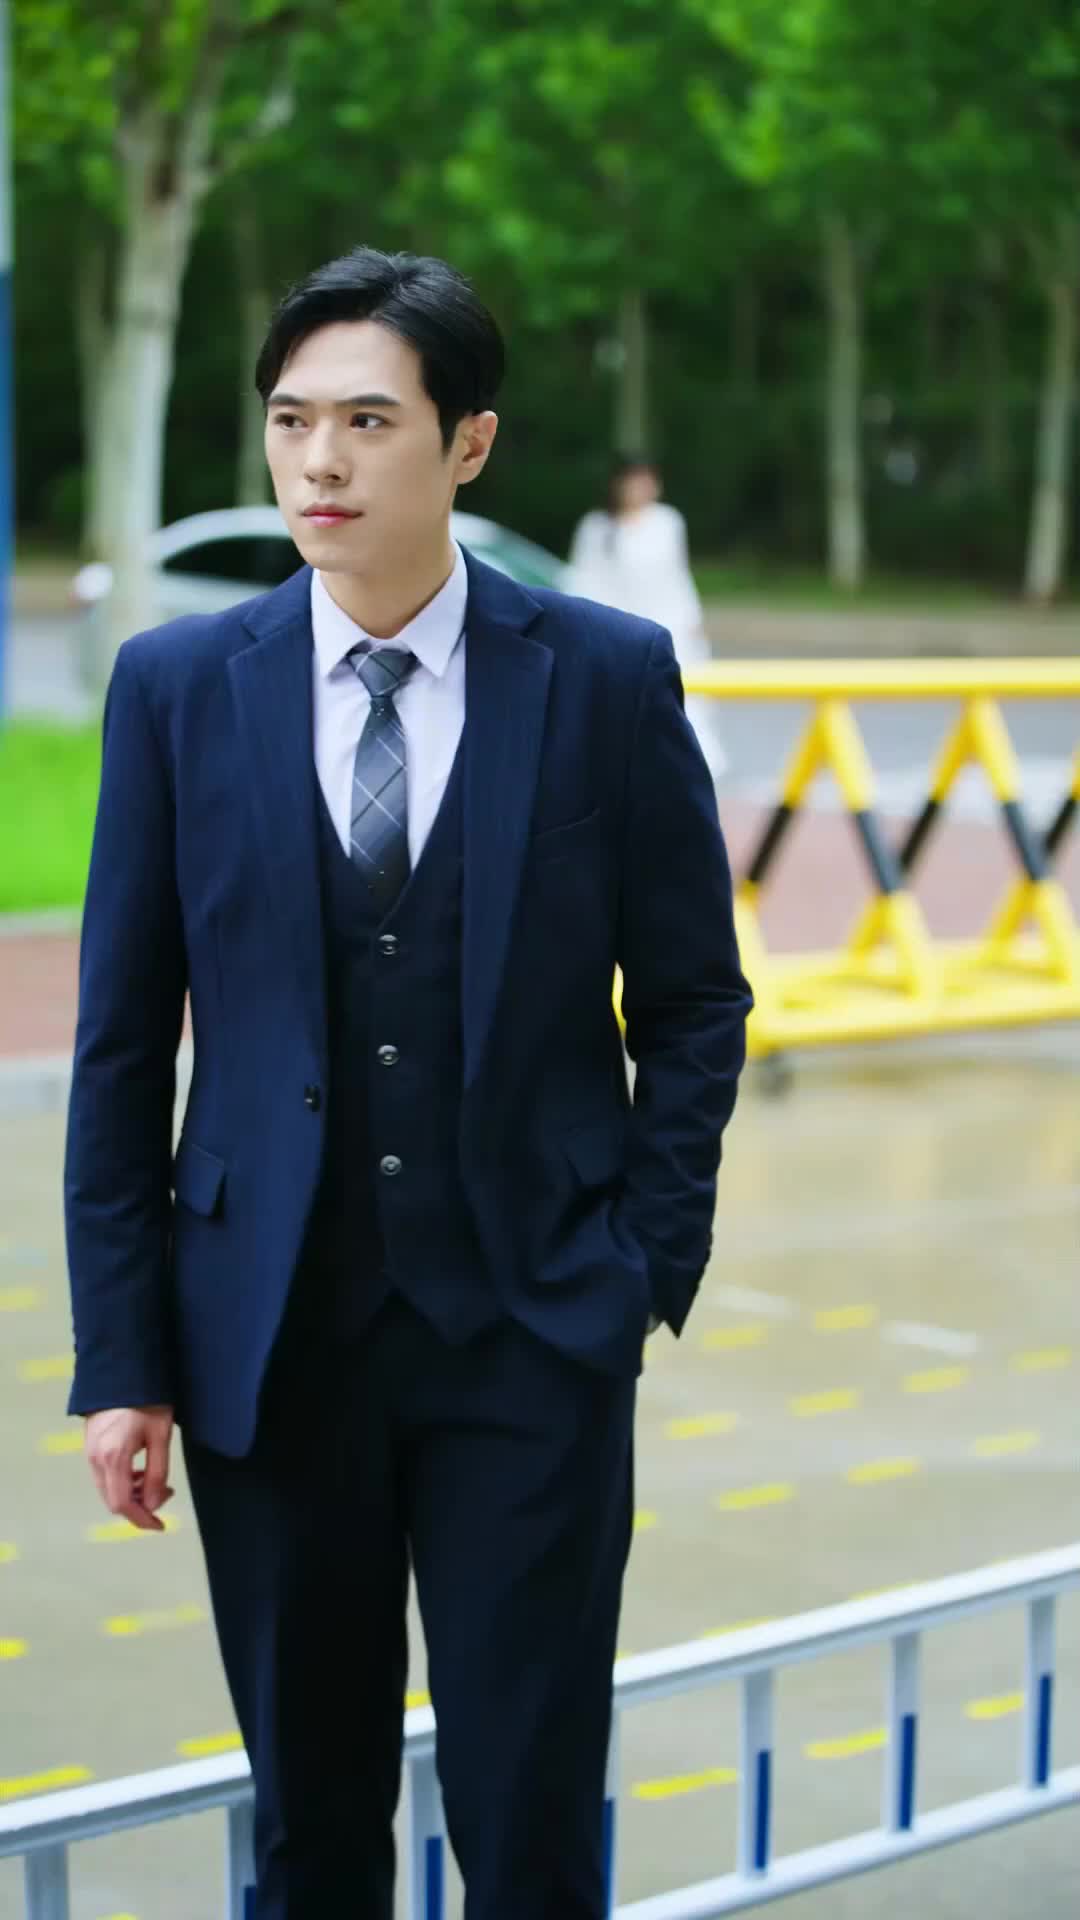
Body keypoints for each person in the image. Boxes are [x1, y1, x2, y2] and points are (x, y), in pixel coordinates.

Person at [64, 247, 752, 1920]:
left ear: (469, 445)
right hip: (268, 1346)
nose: (319, 462)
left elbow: (692, 1002)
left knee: (529, 1825)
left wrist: (640, 1267)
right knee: (311, 1833)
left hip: (532, 1334)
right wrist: (123, 1358)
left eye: (368, 422)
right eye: (292, 420)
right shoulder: (177, 688)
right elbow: (121, 1045)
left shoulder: (601, 676)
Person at [569, 455, 727, 777]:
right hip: (616, 629)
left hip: (667, 624)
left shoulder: (667, 522)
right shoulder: (596, 527)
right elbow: (583, 581)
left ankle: (686, 766)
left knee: (681, 697)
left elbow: (677, 576)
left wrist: (692, 618)